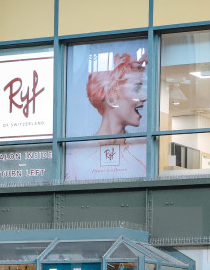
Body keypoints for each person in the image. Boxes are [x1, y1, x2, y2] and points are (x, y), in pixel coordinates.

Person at [63, 53, 148, 182]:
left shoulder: (145, 151)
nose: (144, 97)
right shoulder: (75, 160)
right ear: (112, 99)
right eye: (136, 89)